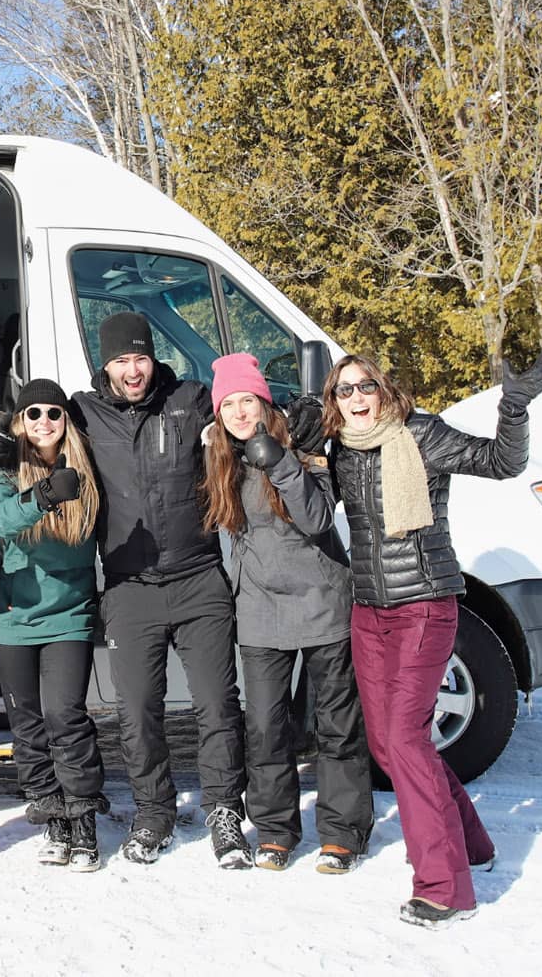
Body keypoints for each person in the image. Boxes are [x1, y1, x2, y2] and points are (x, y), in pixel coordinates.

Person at [322, 349, 542, 927]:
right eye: (344, 390)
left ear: (383, 390)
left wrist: (515, 406)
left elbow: (503, 462)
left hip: (426, 605)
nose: (356, 399)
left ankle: (443, 886)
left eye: (365, 387)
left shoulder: (422, 434)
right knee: (389, 745)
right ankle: (472, 846)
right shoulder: (340, 453)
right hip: (369, 609)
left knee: (405, 740)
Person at [72, 312, 251, 867]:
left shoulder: (191, 400)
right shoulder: (84, 413)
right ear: (106, 363)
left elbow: (246, 414)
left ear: (154, 358)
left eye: (141, 358)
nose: (133, 370)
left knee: (218, 704)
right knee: (137, 710)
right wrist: (4, 440)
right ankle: (154, 811)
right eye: (122, 360)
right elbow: (39, 432)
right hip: (130, 588)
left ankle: (224, 809)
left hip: (199, 578)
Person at [201, 352, 371, 874]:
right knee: (267, 727)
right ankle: (275, 830)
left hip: (321, 598)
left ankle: (342, 834)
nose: (238, 412)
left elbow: (318, 518)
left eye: (246, 400)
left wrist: (282, 458)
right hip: (259, 608)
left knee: (337, 726)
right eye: (228, 404)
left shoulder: (304, 441)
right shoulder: (218, 454)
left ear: (263, 400)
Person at [0, 378, 107, 871]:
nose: (44, 423)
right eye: (32, 413)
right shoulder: (3, 468)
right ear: (19, 422)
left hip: (69, 614)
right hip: (13, 616)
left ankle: (83, 819)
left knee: (66, 717)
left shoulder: (87, 467)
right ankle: (52, 815)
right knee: (27, 724)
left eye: (53, 413)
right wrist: (44, 496)